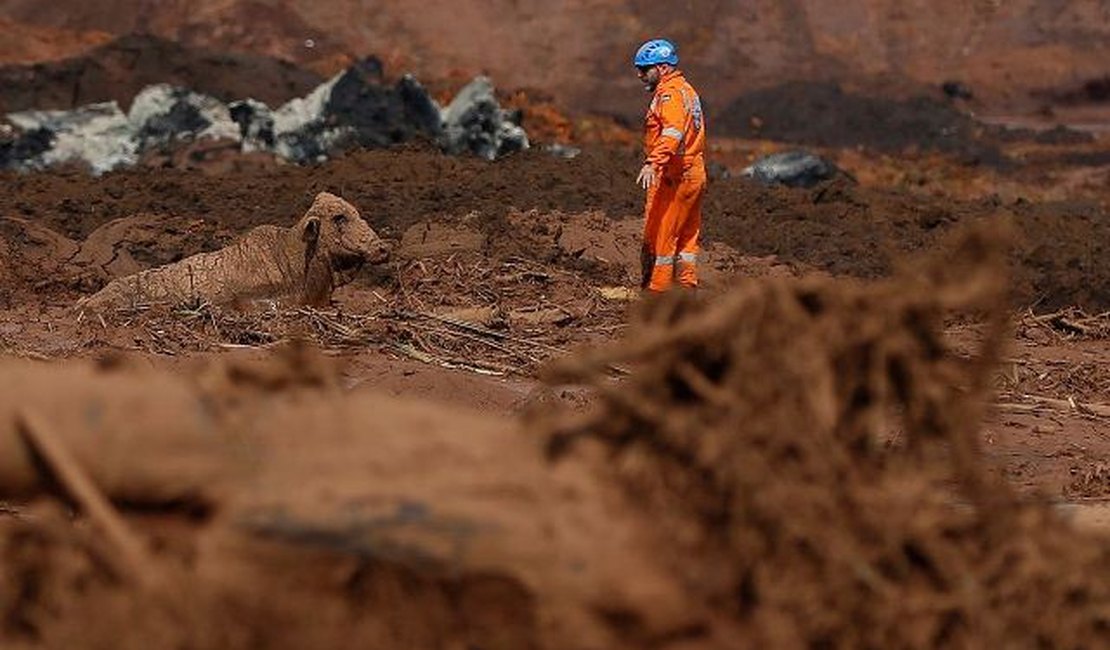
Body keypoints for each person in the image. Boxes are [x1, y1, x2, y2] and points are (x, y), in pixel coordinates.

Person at [633, 38, 706, 292]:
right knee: (686, 238)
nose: (640, 75)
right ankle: (686, 291)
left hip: (678, 175)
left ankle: (658, 294)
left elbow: (672, 133)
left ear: (662, 68)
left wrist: (653, 162)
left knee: (664, 236)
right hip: (693, 171)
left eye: (644, 69)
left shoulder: (670, 95)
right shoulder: (687, 90)